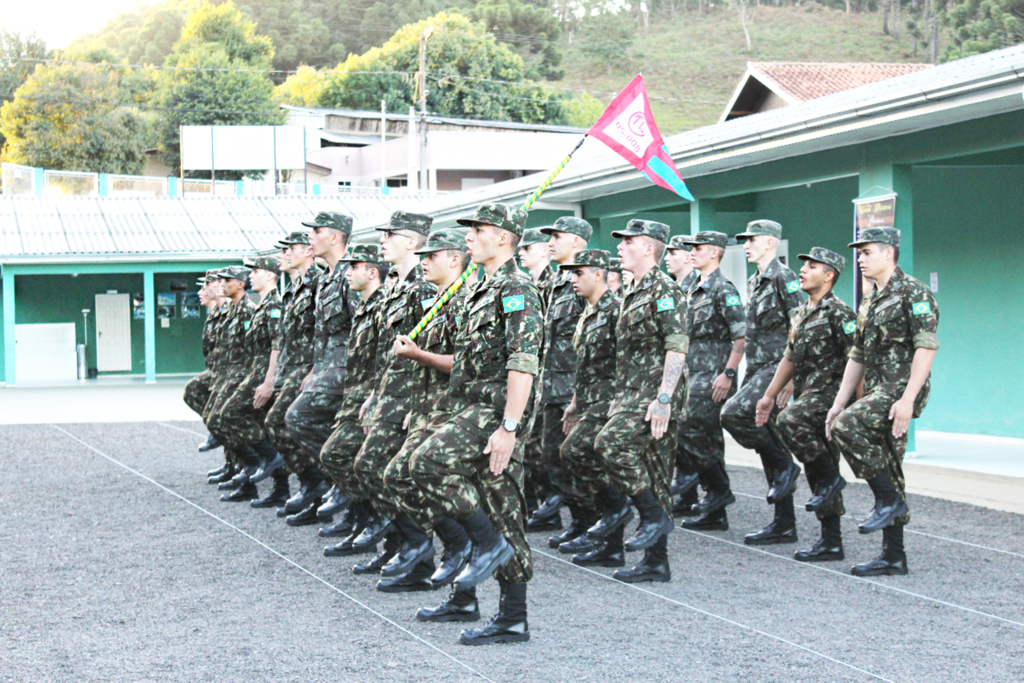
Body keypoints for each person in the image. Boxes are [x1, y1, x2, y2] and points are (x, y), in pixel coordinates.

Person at [408, 203, 542, 645]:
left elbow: (522, 365)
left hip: (494, 414)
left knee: (430, 467)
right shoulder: (479, 289)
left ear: (503, 237)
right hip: (467, 408)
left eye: (478, 229)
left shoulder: (516, 286)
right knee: (493, 505)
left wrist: (509, 428)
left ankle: (510, 610)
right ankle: (470, 597)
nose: (469, 236)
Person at [826, 227, 939, 577]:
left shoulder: (914, 292)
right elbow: (857, 354)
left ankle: (888, 500)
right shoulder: (870, 299)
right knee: (888, 461)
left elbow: (926, 346)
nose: (860, 259)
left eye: (867, 252)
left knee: (849, 427)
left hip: (900, 388)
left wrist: (907, 399)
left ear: (888, 253)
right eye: (858, 254)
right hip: (877, 388)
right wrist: (838, 401)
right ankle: (894, 555)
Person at [385, 228, 477, 618]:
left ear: (454, 259)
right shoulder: (439, 301)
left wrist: (420, 355)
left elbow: (466, 363)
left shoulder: (466, 302)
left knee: (427, 481)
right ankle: (455, 550)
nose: (423, 261)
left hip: (453, 412)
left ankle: (462, 557)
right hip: (427, 408)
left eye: (431, 255)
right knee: (396, 476)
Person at [591, 219, 688, 584]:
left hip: (655, 394)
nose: (620, 247)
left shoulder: (665, 290)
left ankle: (651, 514)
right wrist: (619, 398)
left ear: (649, 248)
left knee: (609, 443)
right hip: (632, 395)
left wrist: (664, 398)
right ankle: (656, 561)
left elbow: (676, 345)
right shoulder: (633, 290)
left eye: (628, 241)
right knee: (656, 472)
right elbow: (627, 354)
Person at [348, 211, 438, 591]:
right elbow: (389, 351)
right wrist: (374, 394)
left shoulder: (426, 289)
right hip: (389, 394)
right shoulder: (397, 287)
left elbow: (436, 350)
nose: (382, 241)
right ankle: (406, 550)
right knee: (372, 468)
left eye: (391, 235)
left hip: (412, 398)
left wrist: (423, 405)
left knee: (383, 471)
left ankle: (419, 548)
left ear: (413, 242)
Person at [756, 247, 855, 562]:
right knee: (819, 469)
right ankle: (831, 541)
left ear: (829, 276)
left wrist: (856, 405)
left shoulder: (841, 313)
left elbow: (859, 359)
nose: (803, 271)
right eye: (804, 265)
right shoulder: (800, 313)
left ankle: (830, 484)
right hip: (809, 396)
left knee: (791, 423)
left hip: (832, 396)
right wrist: (769, 395)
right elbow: (788, 357)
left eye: (812, 267)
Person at [721, 220, 804, 546]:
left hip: (777, 369)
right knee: (770, 437)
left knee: (732, 414)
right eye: (745, 240)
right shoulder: (756, 280)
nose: (746, 245)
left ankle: (787, 466)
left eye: (752, 240)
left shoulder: (786, 278)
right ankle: (784, 523)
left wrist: (792, 379)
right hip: (758, 369)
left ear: (770, 242)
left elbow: (802, 328)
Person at [284, 211, 358, 525]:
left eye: (317, 231)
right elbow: (321, 334)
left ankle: (342, 485)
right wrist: (315, 370)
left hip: (346, 372)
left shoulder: (349, 276)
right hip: (326, 369)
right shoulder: (327, 277)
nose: (311, 237)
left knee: (297, 417)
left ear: (335, 236)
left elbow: (363, 331)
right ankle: (345, 497)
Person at [554, 249, 625, 567]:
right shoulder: (589, 311)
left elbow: (630, 360)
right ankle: (610, 545)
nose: (572, 279)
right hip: (589, 399)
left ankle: (614, 511)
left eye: (578, 273)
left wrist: (622, 402)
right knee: (578, 456)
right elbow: (582, 366)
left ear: (599, 274)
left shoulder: (616, 311)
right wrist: (573, 404)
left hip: (609, 400)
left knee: (575, 451)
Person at [319, 244, 389, 554]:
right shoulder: (363, 307)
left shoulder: (384, 305)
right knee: (341, 457)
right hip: (355, 396)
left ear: (373, 272)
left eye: (355, 266)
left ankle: (382, 524)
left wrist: (376, 398)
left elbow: (389, 359)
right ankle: (364, 522)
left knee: (344, 457)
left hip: (374, 399)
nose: (347, 272)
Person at [526, 217, 593, 539]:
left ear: (578, 242)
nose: (550, 242)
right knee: (551, 456)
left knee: (573, 457)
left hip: (575, 388)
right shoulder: (554, 283)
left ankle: (591, 522)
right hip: (550, 385)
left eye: (558, 237)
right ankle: (577, 520)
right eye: (549, 237)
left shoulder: (587, 282)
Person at [676, 232, 746, 532]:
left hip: (713, 376)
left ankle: (717, 490)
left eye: (699, 249)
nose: (692, 252)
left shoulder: (722, 289)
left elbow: (740, 336)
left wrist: (728, 374)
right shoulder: (693, 288)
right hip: (691, 374)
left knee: (690, 427)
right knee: (704, 437)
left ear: (715, 253)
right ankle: (715, 507)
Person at [208, 255, 284, 503]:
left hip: (260, 376)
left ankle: (260, 461)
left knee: (229, 415)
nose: (251, 275)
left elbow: (276, 345)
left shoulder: (272, 306)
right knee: (256, 426)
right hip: (249, 373)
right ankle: (264, 481)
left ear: (270, 275)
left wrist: (269, 380)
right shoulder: (260, 306)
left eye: (256, 271)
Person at [258, 232, 320, 511]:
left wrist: (316, 369)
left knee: (279, 423)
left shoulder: (319, 283)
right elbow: (282, 339)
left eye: (290, 249)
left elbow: (326, 331)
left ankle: (316, 483)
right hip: (290, 369)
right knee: (276, 423)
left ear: (308, 252)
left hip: (309, 369)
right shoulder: (292, 290)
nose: (283, 255)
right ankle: (309, 487)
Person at [202, 267, 257, 497]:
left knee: (225, 419)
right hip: (227, 374)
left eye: (227, 280)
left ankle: (255, 466)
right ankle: (242, 469)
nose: (221, 284)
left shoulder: (246, 311)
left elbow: (252, 347)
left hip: (241, 376)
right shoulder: (233, 311)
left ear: (241, 284)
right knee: (218, 418)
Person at [665, 234, 702, 516]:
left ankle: (713, 490)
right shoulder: (675, 288)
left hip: (701, 369)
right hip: (683, 369)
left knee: (692, 431)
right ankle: (687, 495)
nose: (667, 257)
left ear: (689, 256)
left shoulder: (697, 287)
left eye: (673, 253)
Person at [186, 272, 226, 470]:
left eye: (206, 285)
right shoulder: (215, 315)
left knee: (225, 417)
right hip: (218, 371)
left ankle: (251, 461)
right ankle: (235, 464)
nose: (202, 291)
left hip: (232, 374)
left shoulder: (234, 312)